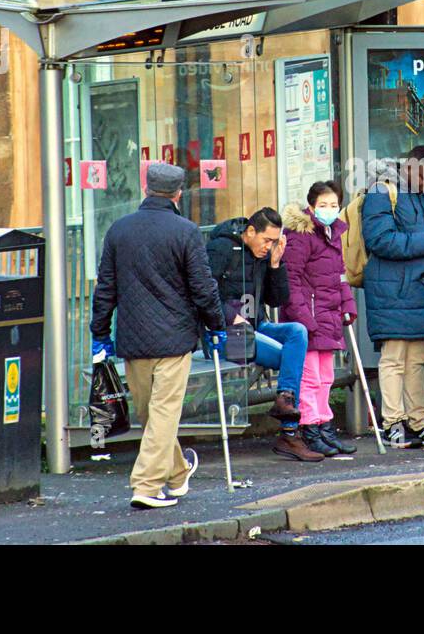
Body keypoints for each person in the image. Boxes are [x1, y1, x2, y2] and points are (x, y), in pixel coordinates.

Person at [90, 163, 225, 509]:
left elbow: (106, 287)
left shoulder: (119, 231)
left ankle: (177, 475)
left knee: (153, 414)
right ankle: (147, 487)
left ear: (146, 188)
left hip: (134, 340)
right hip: (175, 338)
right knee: (161, 414)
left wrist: (100, 331)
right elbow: (203, 287)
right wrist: (216, 324)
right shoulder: (186, 231)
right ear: (179, 194)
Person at [207, 207, 323, 462]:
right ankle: (290, 432)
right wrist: (229, 316)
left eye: (274, 241)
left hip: (256, 326)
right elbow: (204, 290)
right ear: (250, 231)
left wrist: (275, 264)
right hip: (226, 333)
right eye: (266, 240)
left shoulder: (263, 256)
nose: (268, 245)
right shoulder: (222, 248)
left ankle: (284, 402)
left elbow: (277, 299)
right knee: (288, 357)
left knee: (297, 331)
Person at [362, 145, 424, 449]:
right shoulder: (381, 192)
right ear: (409, 167)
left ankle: (420, 420)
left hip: (422, 291)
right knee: (394, 359)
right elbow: (381, 240)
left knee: (419, 359)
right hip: (393, 291)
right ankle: (393, 422)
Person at [280, 180, 359, 456]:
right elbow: (290, 279)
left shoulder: (332, 233)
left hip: (328, 314)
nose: (329, 209)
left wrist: (347, 305)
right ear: (311, 206)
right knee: (310, 377)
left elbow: (340, 275)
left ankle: (324, 425)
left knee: (325, 376)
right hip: (309, 317)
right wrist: (304, 318)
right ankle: (310, 428)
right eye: (323, 205)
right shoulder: (301, 235)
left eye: (334, 205)